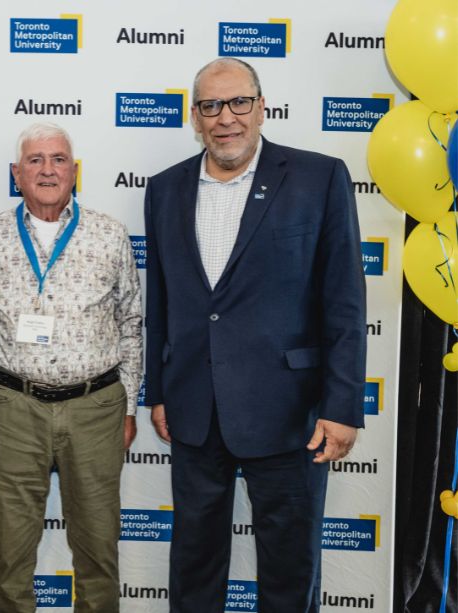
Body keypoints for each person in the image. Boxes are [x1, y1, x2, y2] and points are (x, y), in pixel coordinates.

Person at [144, 57, 367, 612]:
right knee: (194, 569)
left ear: (261, 106)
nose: (226, 118)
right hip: (196, 410)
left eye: (239, 102)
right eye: (211, 106)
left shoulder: (319, 177)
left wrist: (343, 405)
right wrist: (160, 390)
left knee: (290, 572)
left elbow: (343, 302)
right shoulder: (165, 189)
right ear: (194, 117)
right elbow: (162, 300)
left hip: (291, 414)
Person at [0, 122, 143, 612]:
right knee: (10, 554)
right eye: (36, 160)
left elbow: (131, 322)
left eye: (58, 159)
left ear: (74, 170)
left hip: (95, 408)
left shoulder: (109, 235)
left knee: (97, 549)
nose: (48, 170)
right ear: (16, 173)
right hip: (13, 408)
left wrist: (126, 403)